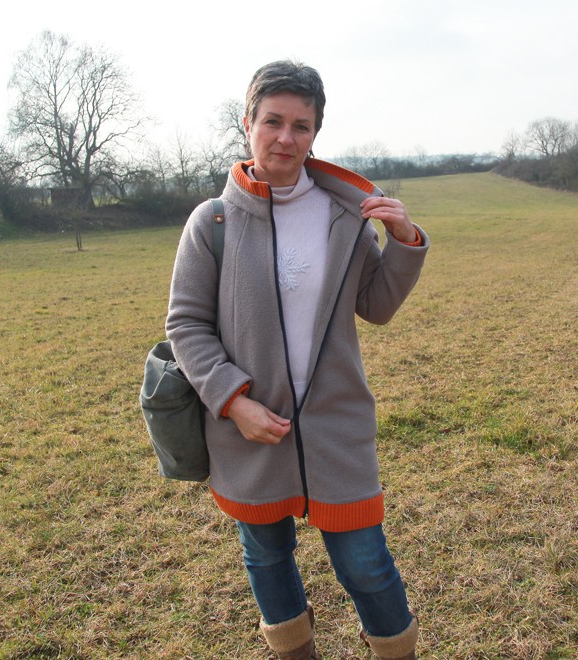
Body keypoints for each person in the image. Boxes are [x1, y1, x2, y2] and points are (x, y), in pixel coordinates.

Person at [166, 60, 430, 659]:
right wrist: (234, 403)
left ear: (316, 133)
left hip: (337, 427)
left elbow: (376, 306)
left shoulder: (345, 216)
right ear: (248, 124)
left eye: (301, 126)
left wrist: (405, 242)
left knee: (366, 565)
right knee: (267, 557)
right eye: (273, 121)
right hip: (251, 431)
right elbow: (185, 325)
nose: (286, 138)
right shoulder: (212, 222)